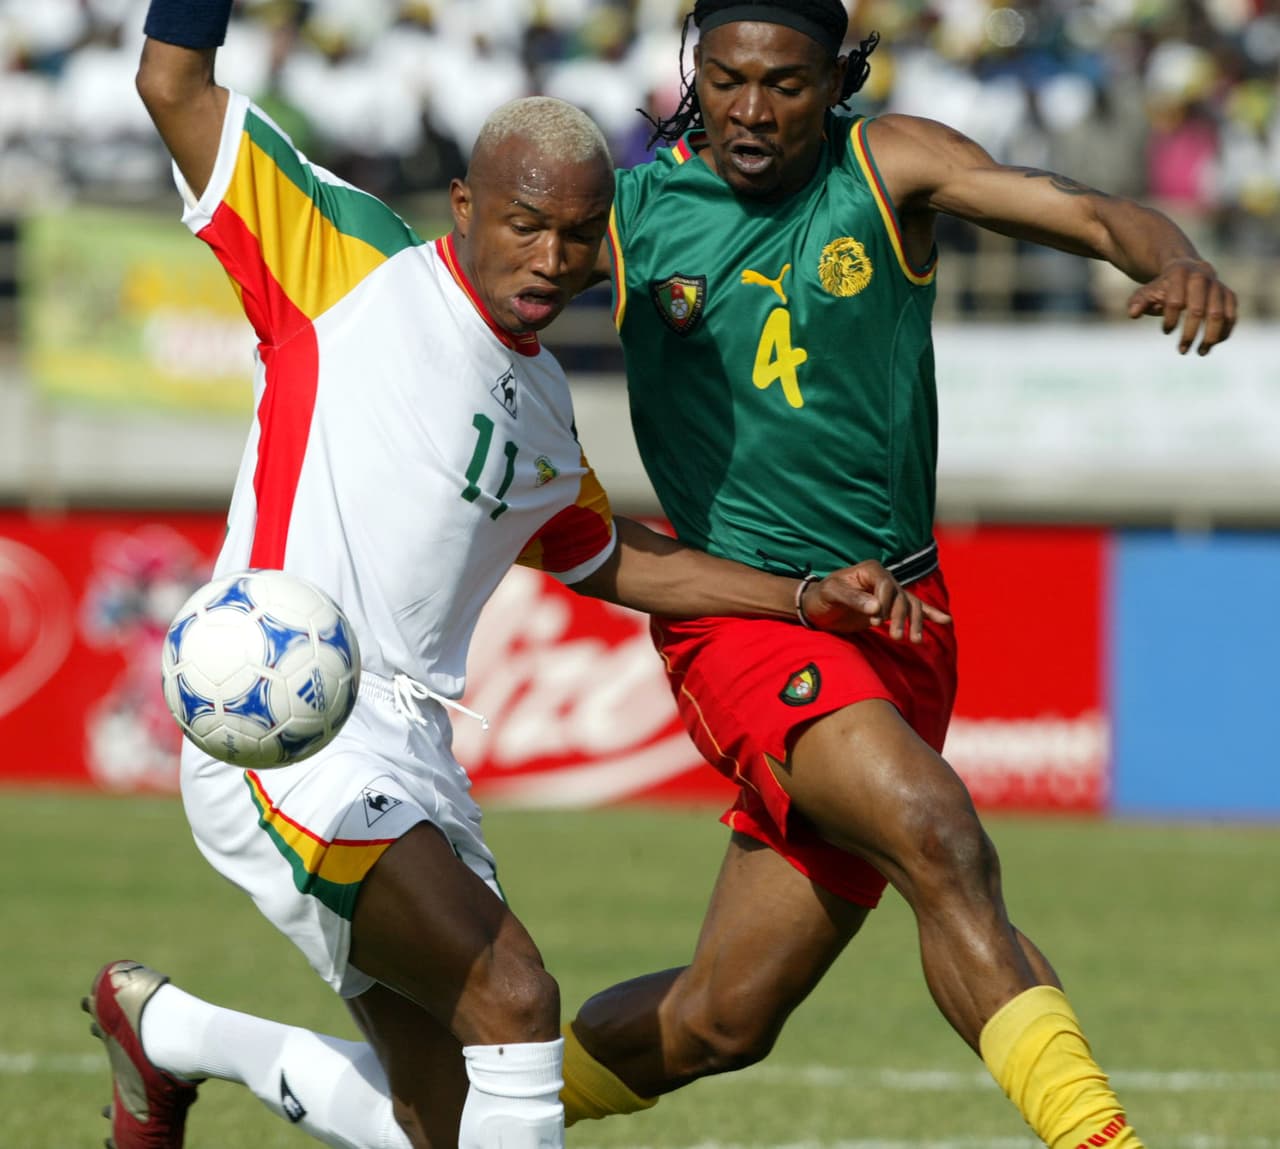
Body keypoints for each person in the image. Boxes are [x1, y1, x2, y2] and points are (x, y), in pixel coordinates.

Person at [83, 4, 948, 1149]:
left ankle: (167, 1033)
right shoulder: (345, 263)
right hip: (287, 724)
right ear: (463, 206)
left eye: (580, 236)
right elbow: (174, 85)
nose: (551, 260)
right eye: (525, 226)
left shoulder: (542, 409)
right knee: (516, 1002)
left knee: (441, 1124)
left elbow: (610, 558)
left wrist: (797, 599)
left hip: (414, 754)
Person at [555, 3, 1239, 1148]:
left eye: (782, 85)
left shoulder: (886, 169)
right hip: (747, 619)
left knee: (722, 1018)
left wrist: (1169, 255)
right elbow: (480, 284)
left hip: (903, 619)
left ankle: (449, 1114)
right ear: (693, 73)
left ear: (835, 82)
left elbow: (1080, 209)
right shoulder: (629, 215)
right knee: (937, 833)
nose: (748, 110)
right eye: (724, 80)